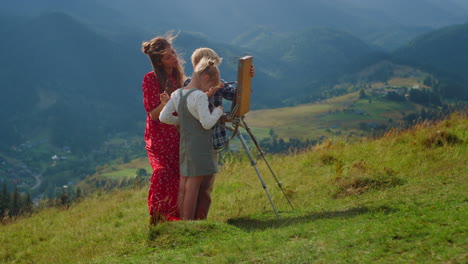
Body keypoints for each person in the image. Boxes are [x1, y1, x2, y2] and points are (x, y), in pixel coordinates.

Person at [159, 58, 223, 220]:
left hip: (185, 144)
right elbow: (207, 123)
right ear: (205, 78)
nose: (209, 89)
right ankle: (189, 223)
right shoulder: (199, 96)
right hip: (199, 146)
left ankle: (182, 221)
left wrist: (181, 122)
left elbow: (163, 117)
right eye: (210, 85)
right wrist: (218, 111)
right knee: (194, 185)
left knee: (184, 185)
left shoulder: (177, 93)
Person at [141, 32, 186, 224]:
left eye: (173, 52)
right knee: (161, 172)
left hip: (176, 133)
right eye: (168, 56)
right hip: (159, 136)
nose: (174, 57)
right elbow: (153, 114)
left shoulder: (178, 75)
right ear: (159, 62)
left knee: (177, 177)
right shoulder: (150, 79)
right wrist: (166, 102)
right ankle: (157, 216)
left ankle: (174, 218)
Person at [185, 48, 255, 150]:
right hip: (198, 139)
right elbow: (194, 101)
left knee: (213, 165)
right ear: (196, 68)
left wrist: (247, 78)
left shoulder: (219, 81)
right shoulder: (188, 84)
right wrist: (211, 90)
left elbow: (236, 95)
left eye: (215, 68)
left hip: (216, 137)